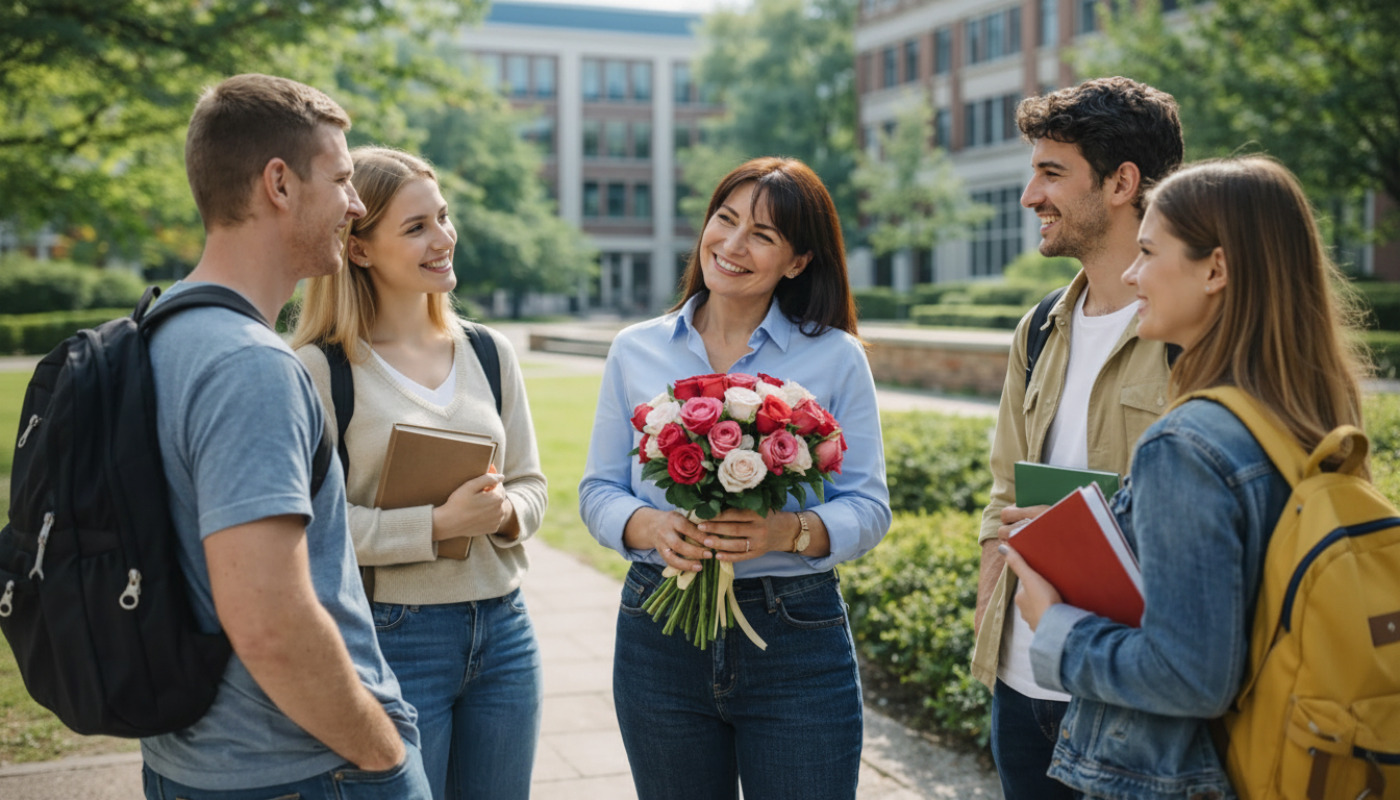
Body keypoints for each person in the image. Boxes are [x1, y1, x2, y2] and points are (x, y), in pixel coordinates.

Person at [999, 155, 1370, 798]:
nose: (1135, 274)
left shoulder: (1186, 444)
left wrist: (1054, 624)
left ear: (1216, 269)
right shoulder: (1309, 416)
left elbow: (1189, 674)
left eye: (1148, 252)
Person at [140, 75, 431, 797]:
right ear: (279, 184)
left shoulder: (162, 330)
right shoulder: (251, 366)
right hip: (305, 766)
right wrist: (382, 752)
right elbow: (269, 620)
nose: (356, 205)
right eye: (341, 179)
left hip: (192, 760)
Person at [578, 156, 892, 800]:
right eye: (725, 219)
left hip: (795, 637)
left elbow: (869, 505)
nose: (733, 244)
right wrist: (648, 524)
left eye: (763, 235)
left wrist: (790, 531)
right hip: (658, 632)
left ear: (798, 262)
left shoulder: (835, 357)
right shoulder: (636, 349)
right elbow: (598, 489)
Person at [291, 147, 548, 800]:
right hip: (392, 636)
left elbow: (532, 483)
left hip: (505, 632)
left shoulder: (490, 352)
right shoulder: (322, 372)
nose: (443, 239)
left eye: (442, 216)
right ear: (359, 249)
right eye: (415, 228)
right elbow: (310, 532)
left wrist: (508, 512)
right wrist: (436, 526)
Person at [969, 76, 1185, 800]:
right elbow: (1004, 492)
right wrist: (989, 631)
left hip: (1128, 696)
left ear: (1122, 182)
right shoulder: (1036, 329)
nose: (1031, 196)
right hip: (1021, 687)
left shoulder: (1194, 337)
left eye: (1051, 172)